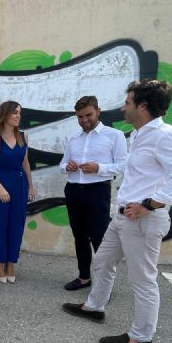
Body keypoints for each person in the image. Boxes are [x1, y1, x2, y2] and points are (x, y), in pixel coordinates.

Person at [62, 79, 172, 343]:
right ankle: (94, 306)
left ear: (143, 106)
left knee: (143, 279)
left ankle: (140, 337)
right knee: (102, 262)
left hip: (143, 219)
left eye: (128, 102)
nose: (123, 108)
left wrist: (149, 204)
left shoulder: (166, 136)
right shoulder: (138, 135)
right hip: (123, 215)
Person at [60, 96, 127, 291]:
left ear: (98, 111)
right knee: (79, 237)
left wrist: (99, 168)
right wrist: (68, 167)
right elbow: (62, 165)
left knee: (100, 239)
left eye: (88, 115)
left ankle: (104, 286)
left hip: (98, 191)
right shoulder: (73, 138)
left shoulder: (114, 135)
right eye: (80, 117)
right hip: (73, 191)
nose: (84, 120)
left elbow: (123, 165)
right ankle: (84, 278)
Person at [0, 101, 34, 284]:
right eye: (14, 113)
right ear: (4, 115)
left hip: (19, 184)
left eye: (19, 113)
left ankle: (11, 263)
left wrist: (30, 185)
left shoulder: (23, 136)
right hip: (0, 186)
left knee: (16, 225)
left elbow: (25, 163)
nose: (18, 116)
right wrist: (0, 187)